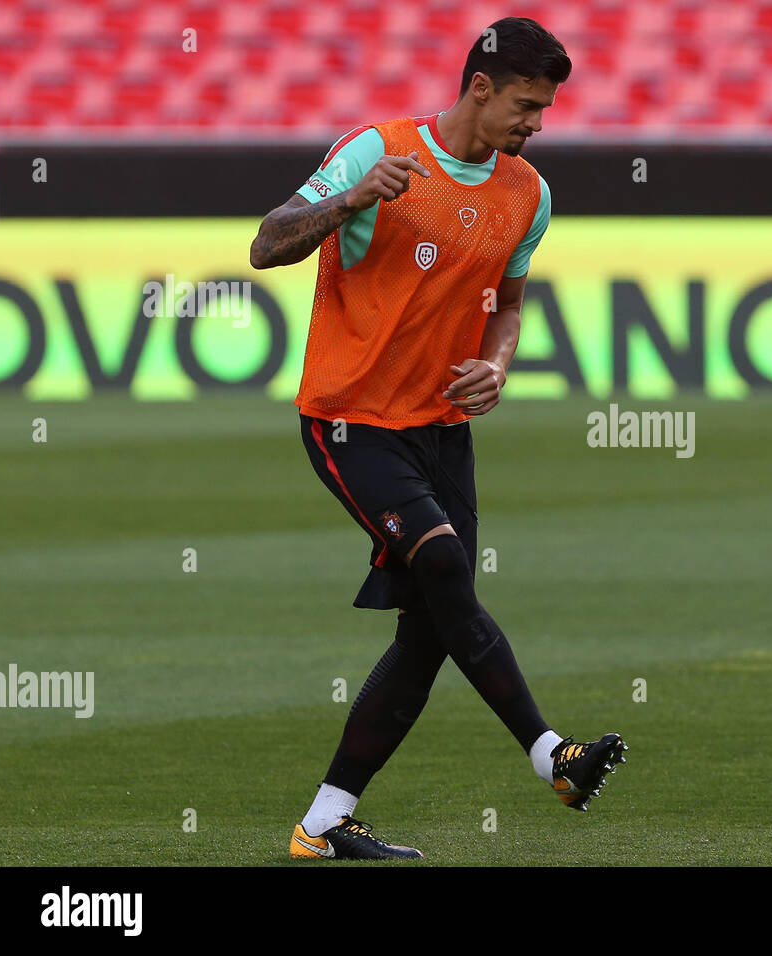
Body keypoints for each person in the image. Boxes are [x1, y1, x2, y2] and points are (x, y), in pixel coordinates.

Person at [249, 16, 626, 861]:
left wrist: (497, 365)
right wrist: (350, 197)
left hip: (442, 431)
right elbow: (266, 245)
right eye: (528, 105)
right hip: (352, 421)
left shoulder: (528, 193)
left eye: (547, 109)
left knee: (428, 631)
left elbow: (511, 305)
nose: (537, 124)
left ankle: (322, 825)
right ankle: (551, 755)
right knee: (446, 564)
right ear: (481, 88)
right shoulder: (373, 151)